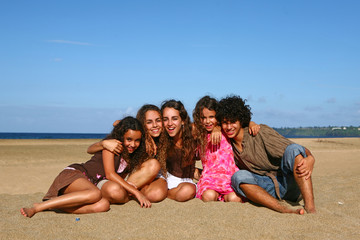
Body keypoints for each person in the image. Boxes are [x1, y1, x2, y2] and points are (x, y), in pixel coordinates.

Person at [20, 117, 153, 218]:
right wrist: (136, 192)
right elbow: (110, 174)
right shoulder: (112, 146)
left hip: (90, 185)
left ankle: (58, 206)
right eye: (129, 139)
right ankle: (39, 207)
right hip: (76, 174)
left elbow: (117, 124)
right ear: (121, 136)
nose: (133, 144)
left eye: (137, 140)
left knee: (103, 205)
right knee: (95, 193)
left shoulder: (132, 155)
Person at [218, 95, 316, 214]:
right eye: (224, 123)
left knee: (293, 150)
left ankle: (310, 208)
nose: (229, 127)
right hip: (266, 188)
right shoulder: (226, 143)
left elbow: (296, 149)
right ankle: (282, 209)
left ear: (241, 120)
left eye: (233, 122)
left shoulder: (260, 133)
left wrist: (310, 158)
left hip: (289, 183)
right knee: (238, 176)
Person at [88, 104, 169, 203]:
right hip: (130, 176)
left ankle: (127, 193)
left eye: (158, 120)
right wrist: (103, 143)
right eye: (149, 122)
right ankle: (126, 192)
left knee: (156, 195)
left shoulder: (166, 136)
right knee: (154, 164)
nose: (155, 125)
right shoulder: (138, 137)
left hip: (146, 176)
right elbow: (116, 124)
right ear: (142, 124)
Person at [193, 95, 259, 202]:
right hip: (209, 178)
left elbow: (242, 123)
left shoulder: (225, 131)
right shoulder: (200, 135)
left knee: (234, 199)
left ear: (218, 116)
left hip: (228, 177)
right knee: (208, 196)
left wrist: (252, 123)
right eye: (203, 118)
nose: (207, 121)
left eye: (211, 117)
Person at [161, 99, 197, 202]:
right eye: (165, 119)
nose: (170, 123)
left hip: (186, 182)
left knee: (187, 191)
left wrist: (216, 128)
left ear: (183, 120)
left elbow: (211, 126)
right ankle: (164, 192)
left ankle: (165, 194)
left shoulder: (192, 133)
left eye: (174, 118)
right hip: (166, 179)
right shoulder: (162, 137)